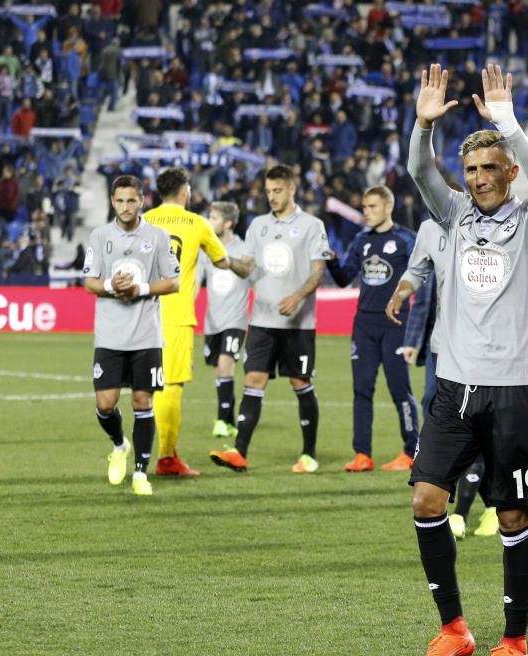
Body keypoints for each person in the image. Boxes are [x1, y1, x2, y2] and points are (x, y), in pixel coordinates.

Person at [385, 64, 528, 656]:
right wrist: (422, 126)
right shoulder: (453, 216)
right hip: (455, 388)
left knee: (512, 515)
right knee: (427, 500)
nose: (481, 179)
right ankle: (453, 631)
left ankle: (514, 642)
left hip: (522, 391)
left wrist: (506, 123)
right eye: (473, 170)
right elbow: (417, 171)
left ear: (509, 171)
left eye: (491, 168)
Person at [209, 164, 331, 474]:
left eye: (278, 191)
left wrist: (298, 296)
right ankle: (239, 453)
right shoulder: (257, 226)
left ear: (292, 189)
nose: (272, 197)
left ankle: (309, 454)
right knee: (253, 380)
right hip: (262, 320)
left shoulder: (311, 225)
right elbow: (248, 266)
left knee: (300, 382)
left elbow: (319, 270)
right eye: (268, 192)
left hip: (298, 324)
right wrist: (227, 262)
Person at [143, 168, 253, 477]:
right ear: (184, 192)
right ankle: (165, 458)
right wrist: (240, 265)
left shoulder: (144, 220)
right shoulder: (197, 223)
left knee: (145, 387)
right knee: (170, 386)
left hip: (141, 314)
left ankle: (147, 452)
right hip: (175, 316)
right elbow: (222, 261)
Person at [400, 195, 499, 540]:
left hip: (481, 352)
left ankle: (475, 510)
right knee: (441, 419)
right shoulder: (430, 232)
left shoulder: (490, 233)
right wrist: (403, 292)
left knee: (477, 425)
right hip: (442, 349)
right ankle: (464, 503)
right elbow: (421, 283)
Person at [82, 175, 180, 496]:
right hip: (110, 335)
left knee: (142, 400)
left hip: (146, 335)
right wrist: (114, 286)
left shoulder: (159, 236)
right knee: (105, 404)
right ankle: (119, 444)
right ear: (113, 202)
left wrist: (141, 289)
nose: (126, 207)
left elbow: (173, 282)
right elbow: (90, 282)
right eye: (120, 200)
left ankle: (141, 473)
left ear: (142, 201)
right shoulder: (98, 237)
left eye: (132, 200)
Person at [327, 185, 420, 472]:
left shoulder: (407, 240)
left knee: (399, 388)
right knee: (362, 388)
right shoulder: (361, 240)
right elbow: (344, 278)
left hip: (395, 323)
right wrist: (331, 262)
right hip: (364, 323)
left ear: (388, 207)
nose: (366, 212)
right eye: (365, 207)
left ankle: (411, 451)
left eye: (372, 207)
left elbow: (423, 276)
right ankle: (362, 454)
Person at [196, 201, 251, 438]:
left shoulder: (245, 249)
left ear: (228, 223)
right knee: (220, 372)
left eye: (215, 217)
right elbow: (195, 282)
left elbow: (250, 273)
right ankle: (229, 420)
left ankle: (220, 419)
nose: (210, 222)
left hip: (235, 319)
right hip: (213, 321)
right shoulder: (204, 250)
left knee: (225, 364)